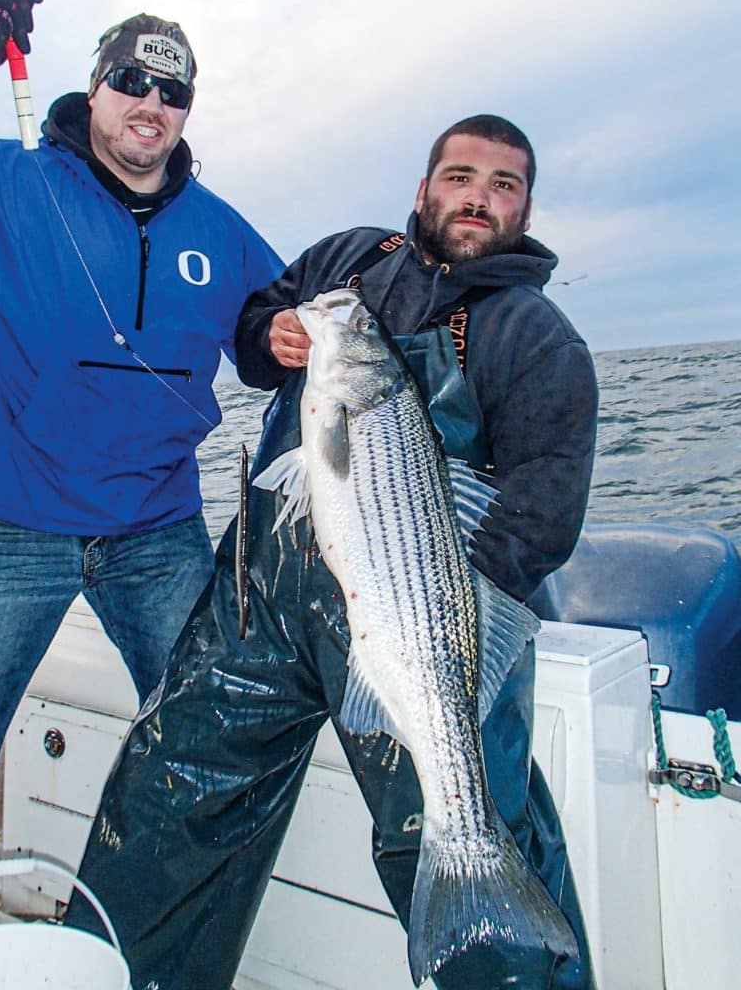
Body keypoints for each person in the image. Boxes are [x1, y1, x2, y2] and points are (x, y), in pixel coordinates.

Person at [67, 113, 599, 989]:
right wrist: (271, 338)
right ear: (424, 190)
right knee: (170, 793)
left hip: (419, 616)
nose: (478, 198)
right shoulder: (351, 256)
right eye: (461, 177)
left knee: (469, 827)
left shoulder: (536, 337)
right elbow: (257, 328)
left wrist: (425, 610)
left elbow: (540, 520)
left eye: (503, 187)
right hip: (263, 606)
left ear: (527, 210)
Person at [0, 0, 283, 964]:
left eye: (174, 91)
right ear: (97, 84)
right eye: (134, 80)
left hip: (156, 531)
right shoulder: (5, 182)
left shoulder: (217, 228)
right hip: (8, 525)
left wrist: (281, 332)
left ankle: (158, 948)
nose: (152, 106)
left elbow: (277, 323)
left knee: (217, 735)